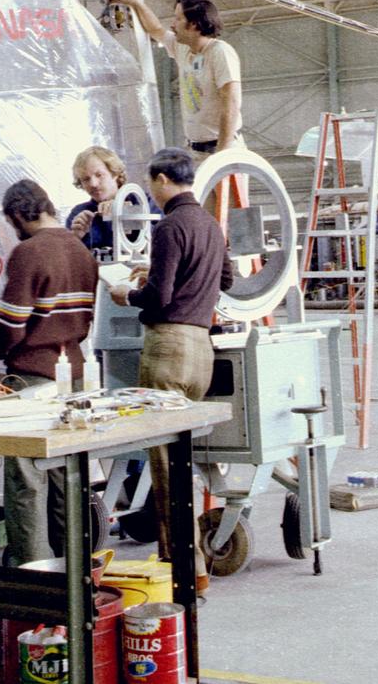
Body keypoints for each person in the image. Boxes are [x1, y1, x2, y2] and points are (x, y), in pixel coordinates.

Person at [108, 147, 233, 593]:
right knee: (180, 462)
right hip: (201, 351)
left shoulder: (170, 227)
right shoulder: (210, 225)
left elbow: (158, 299)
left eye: (151, 183)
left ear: (162, 180)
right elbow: (226, 281)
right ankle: (188, 566)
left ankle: (185, 571)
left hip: (169, 349)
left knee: (165, 469)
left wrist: (128, 294)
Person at [0, 179, 99, 566]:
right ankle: (75, 571)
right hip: (75, 374)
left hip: (34, 375)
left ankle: (33, 572)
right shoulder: (81, 251)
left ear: (19, 215)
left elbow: (12, 323)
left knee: (26, 479)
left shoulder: (29, 252)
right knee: (67, 477)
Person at [109, 0, 243, 156]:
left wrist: (222, 154)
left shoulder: (220, 52)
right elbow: (156, 30)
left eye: (178, 18)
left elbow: (231, 103)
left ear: (193, 24)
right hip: (196, 149)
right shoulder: (183, 48)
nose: (173, 25)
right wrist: (135, 2)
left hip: (222, 148)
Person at [67, 145, 128, 252]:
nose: (93, 184)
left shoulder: (143, 203)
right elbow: (66, 256)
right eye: (86, 179)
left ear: (115, 173)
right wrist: (75, 238)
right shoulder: (78, 214)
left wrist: (130, 216)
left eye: (99, 175)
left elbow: (157, 242)